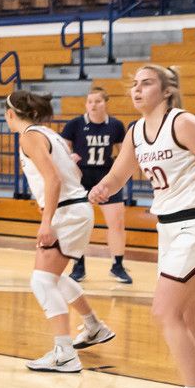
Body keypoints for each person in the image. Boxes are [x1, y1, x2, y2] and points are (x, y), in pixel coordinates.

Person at [91, 65, 195, 388]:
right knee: (185, 316)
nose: (137, 90)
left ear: (167, 90)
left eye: (146, 83)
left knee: (164, 311)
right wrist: (103, 188)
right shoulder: (136, 132)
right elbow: (119, 173)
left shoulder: (185, 123)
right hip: (170, 227)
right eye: (134, 85)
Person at [3, 91, 115, 373]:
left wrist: (46, 221)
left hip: (66, 212)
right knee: (53, 278)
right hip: (76, 209)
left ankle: (64, 352)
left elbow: (52, 179)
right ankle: (93, 327)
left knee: (41, 281)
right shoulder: (48, 134)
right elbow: (70, 174)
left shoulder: (29, 136)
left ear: (11, 114)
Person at [61, 87, 131, 284]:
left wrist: (118, 170)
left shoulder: (116, 125)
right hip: (81, 179)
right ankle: (79, 265)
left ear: (105, 103)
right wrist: (69, 158)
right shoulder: (75, 124)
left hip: (106, 178)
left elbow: (122, 153)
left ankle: (117, 265)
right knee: (81, 222)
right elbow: (62, 151)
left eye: (97, 101)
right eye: (90, 101)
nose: (93, 105)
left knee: (116, 221)